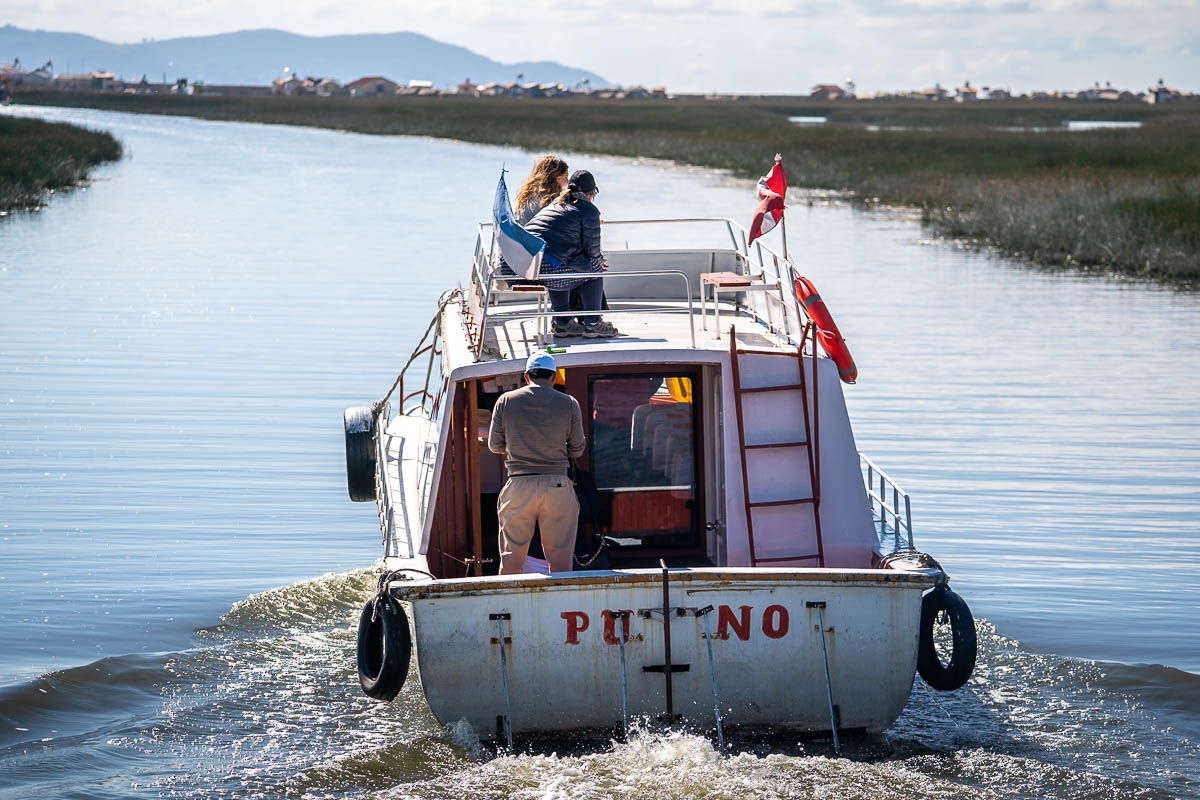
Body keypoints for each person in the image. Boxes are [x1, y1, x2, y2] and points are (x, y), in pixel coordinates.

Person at [488, 351, 586, 574]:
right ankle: (562, 606)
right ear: (553, 377)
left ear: (526, 376)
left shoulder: (505, 401)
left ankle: (510, 604)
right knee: (561, 561)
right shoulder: (569, 403)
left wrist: (518, 446)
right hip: (558, 486)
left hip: (519, 485)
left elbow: (495, 446)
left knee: (511, 558)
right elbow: (577, 450)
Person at [525, 169, 617, 339]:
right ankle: (593, 323)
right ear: (592, 193)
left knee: (557, 259)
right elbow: (593, 252)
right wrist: (598, 261)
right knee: (595, 269)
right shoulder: (589, 210)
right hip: (551, 268)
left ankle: (563, 322)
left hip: (531, 265)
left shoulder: (556, 203)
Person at [514, 155, 569, 225]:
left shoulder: (527, 194)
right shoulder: (548, 200)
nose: (567, 182)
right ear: (552, 179)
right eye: (564, 177)